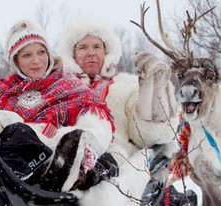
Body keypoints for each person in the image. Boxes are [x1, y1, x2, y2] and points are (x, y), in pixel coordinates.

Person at [0, 20, 115, 192]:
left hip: (49, 153)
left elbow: (96, 124)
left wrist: (81, 144)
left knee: (20, 133)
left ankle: (11, 176)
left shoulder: (68, 85)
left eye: (41, 52)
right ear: (15, 61)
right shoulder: (1, 89)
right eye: (27, 55)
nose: (36, 61)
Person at [59, 16, 196, 205]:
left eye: (97, 47)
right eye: (83, 47)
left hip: (118, 166)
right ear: (72, 54)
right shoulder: (59, 90)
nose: (91, 53)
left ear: (107, 51)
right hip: (69, 162)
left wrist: (151, 86)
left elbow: (149, 135)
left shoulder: (127, 86)